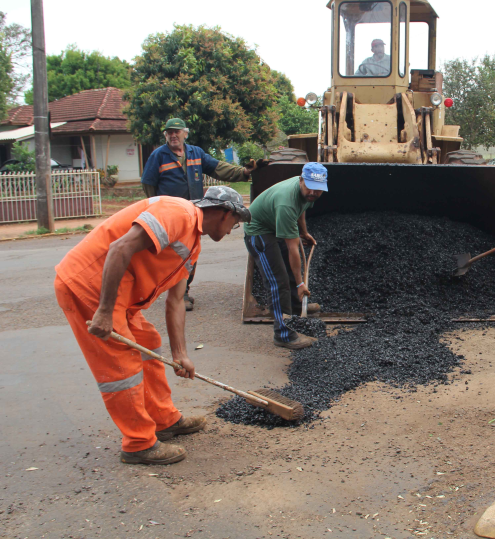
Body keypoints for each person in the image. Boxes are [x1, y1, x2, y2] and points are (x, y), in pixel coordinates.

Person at [54, 186, 250, 465]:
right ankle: (138, 444)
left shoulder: (193, 244)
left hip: (120, 295)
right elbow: (119, 247)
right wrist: (105, 311)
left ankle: (163, 420)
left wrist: (180, 354)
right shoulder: (178, 213)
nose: (234, 229)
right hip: (90, 286)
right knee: (121, 365)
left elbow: (177, 301)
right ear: (223, 213)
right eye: (236, 222)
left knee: (147, 342)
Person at [141, 118, 260, 311]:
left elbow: (218, 168)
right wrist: (155, 210)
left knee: (190, 252)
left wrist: (244, 172)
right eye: (169, 132)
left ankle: (183, 290)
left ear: (185, 134)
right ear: (165, 135)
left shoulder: (195, 153)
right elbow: (148, 184)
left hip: (194, 213)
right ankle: (172, 291)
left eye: (177, 132)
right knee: (172, 253)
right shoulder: (158, 156)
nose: (173, 135)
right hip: (169, 214)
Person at [244, 163, 328, 349]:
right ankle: (283, 334)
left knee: (289, 273)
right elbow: (293, 249)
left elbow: (302, 209)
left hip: (274, 225)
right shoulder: (286, 202)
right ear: (301, 180)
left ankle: (296, 310)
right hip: (259, 233)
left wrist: (304, 232)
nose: (313, 193)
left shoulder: (308, 193)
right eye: (310, 187)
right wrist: (300, 284)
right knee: (278, 281)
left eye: (318, 190)